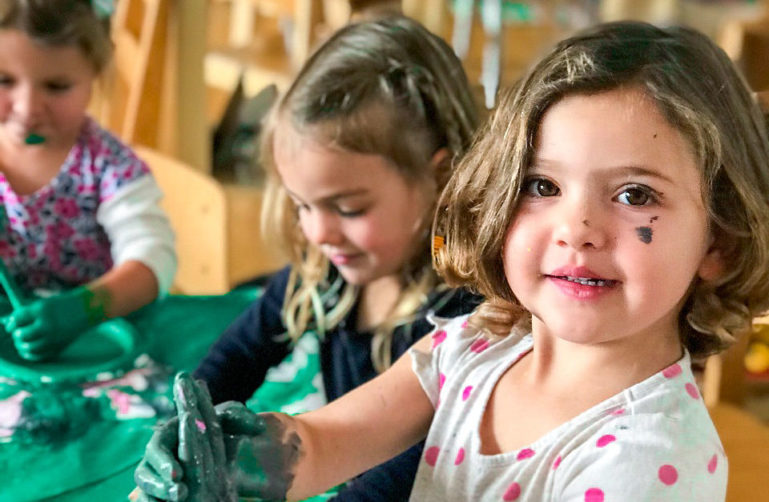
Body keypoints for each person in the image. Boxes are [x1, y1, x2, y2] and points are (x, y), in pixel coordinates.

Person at [134, 20, 769, 501]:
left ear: (720, 241)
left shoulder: (646, 464)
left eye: (635, 196)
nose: (576, 230)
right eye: (541, 186)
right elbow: (327, 441)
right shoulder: (478, 343)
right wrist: (232, 457)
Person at [183, 14, 478, 501]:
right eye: (302, 205)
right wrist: (188, 434)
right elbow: (237, 357)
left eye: (349, 208)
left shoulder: (466, 311)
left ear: (439, 179)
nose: (318, 232)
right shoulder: (323, 273)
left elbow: (423, 463)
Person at [0, 0, 176, 361]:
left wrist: (87, 308)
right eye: (4, 80)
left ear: (94, 76)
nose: (28, 107)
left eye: (57, 85)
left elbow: (154, 259)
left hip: (101, 346)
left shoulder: (109, 167)